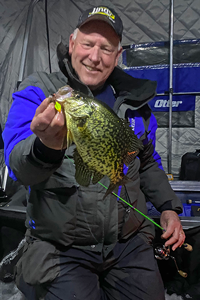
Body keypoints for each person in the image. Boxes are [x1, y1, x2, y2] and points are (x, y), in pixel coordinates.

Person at [3, 5, 185, 300]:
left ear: (118, 55)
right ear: (72, 43)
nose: (94, 57)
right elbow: (17, 167)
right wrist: (46, 147)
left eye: (106, 48)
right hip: (61, 248)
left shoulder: (136, 101)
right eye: (87, 44)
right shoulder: (39, 91)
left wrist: (168, 207)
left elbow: (148, 161)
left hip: (128, 243)